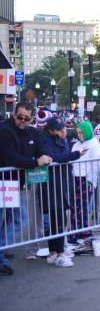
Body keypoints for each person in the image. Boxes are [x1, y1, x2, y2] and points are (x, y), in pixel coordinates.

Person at [0, 102, 52, 275]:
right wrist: (35, 162)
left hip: (18, 184)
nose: (22, 120)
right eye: (19, 116)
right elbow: (11, 158)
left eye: (26, 118)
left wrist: (45, 157)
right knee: (17, 219)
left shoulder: (32, 132)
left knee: (13, 219)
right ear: (14, 114)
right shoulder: (5, 131)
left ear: (32, 118)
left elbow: (40, 151)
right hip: (4, 183)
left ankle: (2, 251)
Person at [41, 117, 84, 267]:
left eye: (63, 128)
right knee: (57, 219)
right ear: (52, 130)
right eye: (60, 129)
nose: (64, 131)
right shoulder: (46, 140)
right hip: (53, 184)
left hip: (61, 182)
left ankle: (55, 251)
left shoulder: (61, 139)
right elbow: (54, 158)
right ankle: (58, 253)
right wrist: (76, 155)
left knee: (57, 218)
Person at [69, 120, 100, 243]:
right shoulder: (76, 144)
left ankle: (83, 230)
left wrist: (91, 182)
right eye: (78, 133)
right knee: (74, 207)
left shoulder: (94, 145)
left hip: (86, 179)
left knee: (82, 207)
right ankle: (75, 230)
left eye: (82, 133)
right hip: (75, 178)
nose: (80, 135)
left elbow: (96, 165)